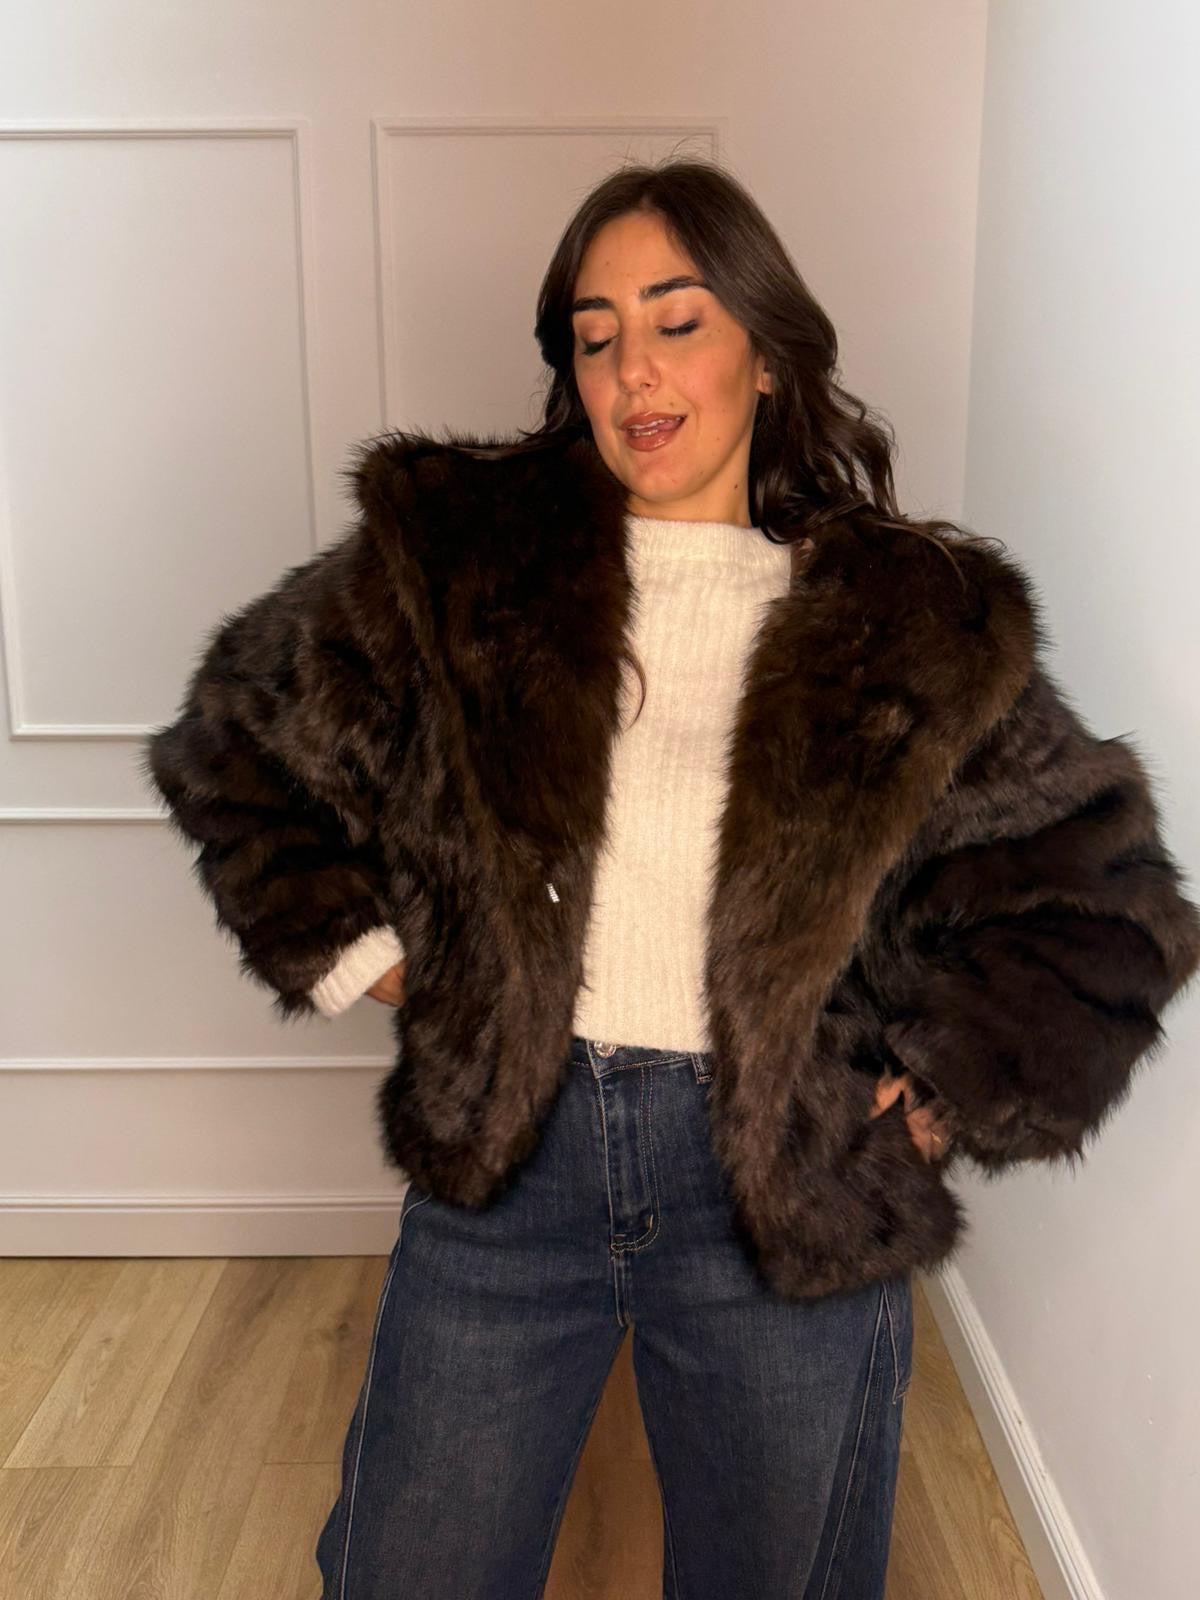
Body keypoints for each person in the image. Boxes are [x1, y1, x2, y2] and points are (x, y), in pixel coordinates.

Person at [141, 159, 1200, 1599]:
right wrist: (391, 969)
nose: (633, 369)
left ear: (766, 352)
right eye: (596, 336)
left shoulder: (910, 619)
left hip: (787, 1184)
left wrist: (943, 1086)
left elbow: (1106, 909)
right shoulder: (463, 570)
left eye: (677, 321)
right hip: (515, 1161)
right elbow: (236, 738)